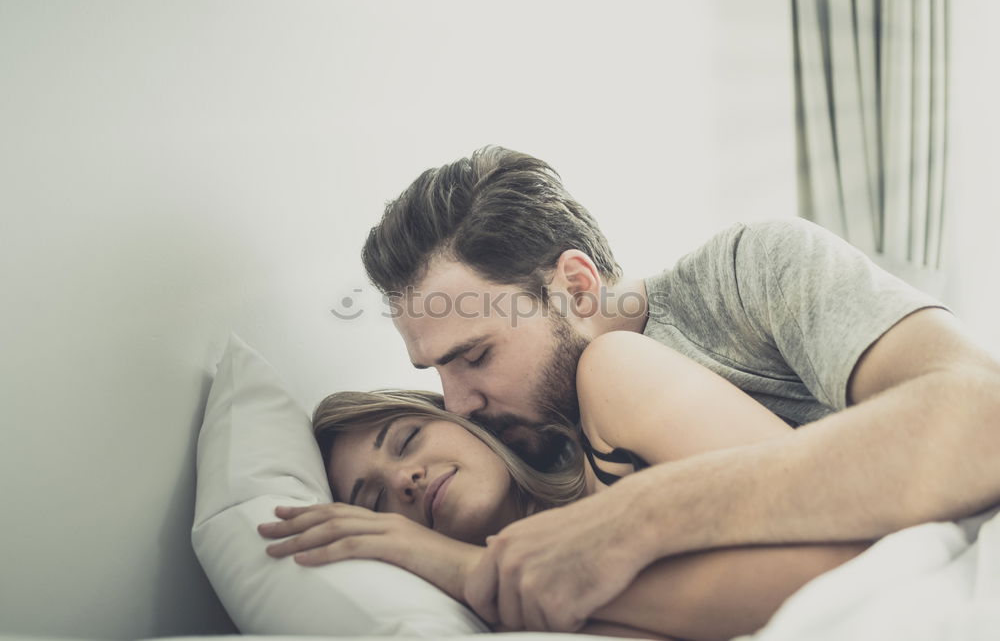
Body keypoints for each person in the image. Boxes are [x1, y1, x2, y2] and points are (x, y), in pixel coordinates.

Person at [281, 146, 1000, 632]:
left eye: (475, 355)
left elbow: (984, 416)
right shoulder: (531, 463)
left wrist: (636, 521)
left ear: (576, 286)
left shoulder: (749, 275)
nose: (459, 400)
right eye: (438, 374)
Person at [259, 331, 870, 640]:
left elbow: (844, 565)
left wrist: (471, 567)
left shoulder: (613, 392)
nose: (405, 480)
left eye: (408, 439)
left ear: (462, 421)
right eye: (375, 500)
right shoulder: (524, 624)